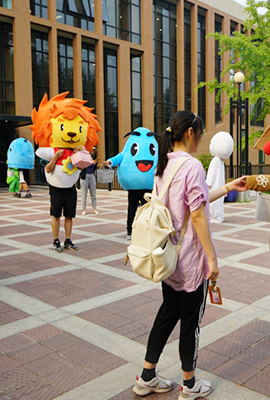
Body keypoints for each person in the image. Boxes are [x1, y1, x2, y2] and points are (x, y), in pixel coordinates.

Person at [132, 110, 246, 399]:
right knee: (190, 324)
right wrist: (212, 258)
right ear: (191, 133)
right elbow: (197, 214)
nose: (202, 139)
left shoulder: (164, 163)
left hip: (168, 257)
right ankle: (190, 384)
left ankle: (146, 376)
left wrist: (228, 187)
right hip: (191, 261)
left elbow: (197, 199)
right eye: (201, 133)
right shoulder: (192, 165)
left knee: (166, 315)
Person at [30, 92, 101, 253]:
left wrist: (81, 155)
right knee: (56, 215)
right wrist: (55, 157)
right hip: (55, 189)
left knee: (69, 216)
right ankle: (56, 241)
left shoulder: (76, 151)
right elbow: (48, 169)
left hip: (70, 188)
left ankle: (68, 240)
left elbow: (81, 168)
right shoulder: (52, 151)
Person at [103, 126, 158, 240]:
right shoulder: (127, 151)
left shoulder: (156, 150)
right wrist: (109, 162)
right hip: (135, 189)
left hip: (146, 188)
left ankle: (143, 230)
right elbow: (119, 157)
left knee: (145, 210)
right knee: (135, 209)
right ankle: (130, 230)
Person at [80, 150, 100, 215]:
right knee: (84, 194)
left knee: (93, 194)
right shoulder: (83, 159)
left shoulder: (93, 158)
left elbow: (94, 168)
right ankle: (84, 209)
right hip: (85, 176)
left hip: (91, 175)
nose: (92, 152)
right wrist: (89, 163)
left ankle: (94, 209)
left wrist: (95, 163)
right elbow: (81, 167)